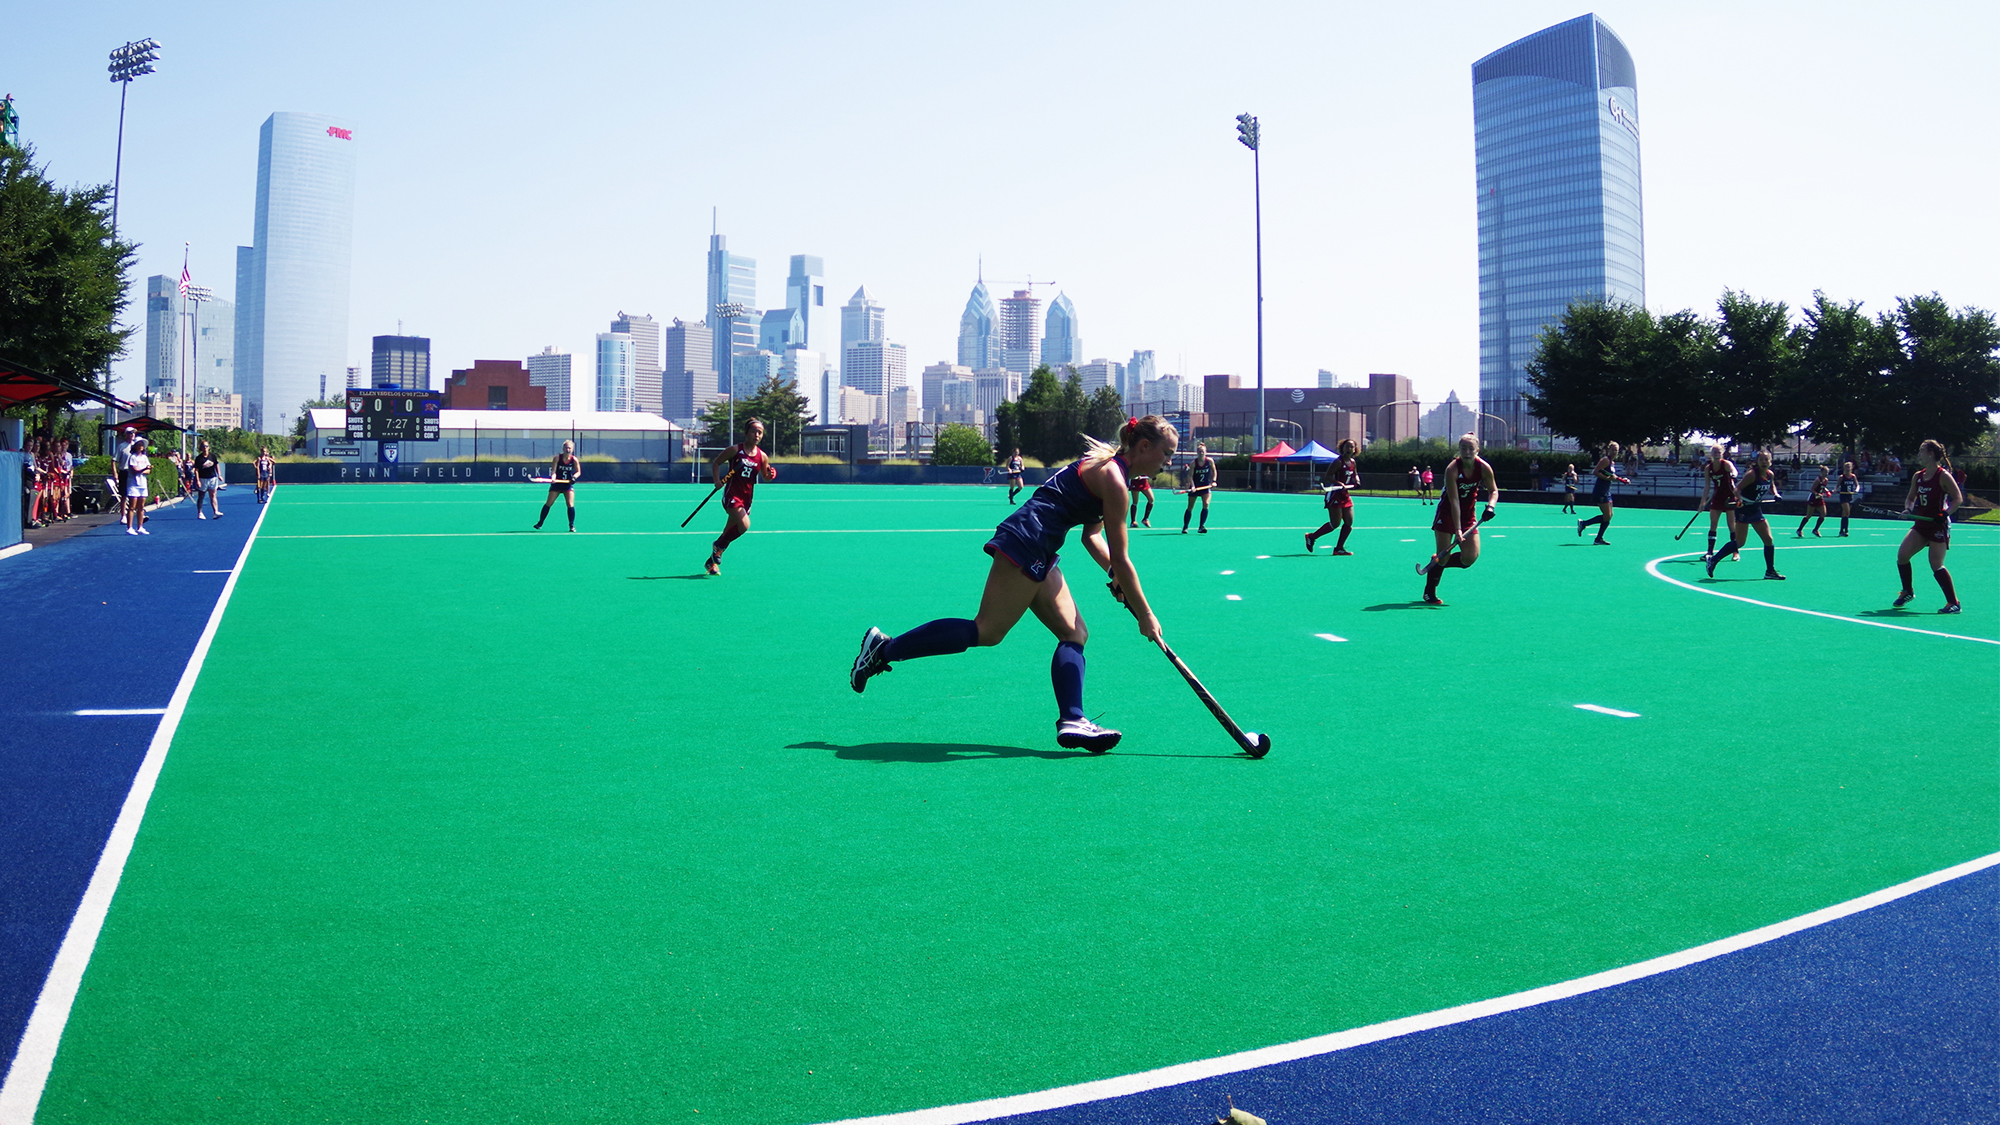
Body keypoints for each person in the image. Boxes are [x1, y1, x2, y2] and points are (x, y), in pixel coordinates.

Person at [849, 415, 1178, 752]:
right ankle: (883, 649)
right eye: (1166, 454)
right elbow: (1122, 558)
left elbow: (1092, 537)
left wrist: (1114, 576)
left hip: (1041, 546)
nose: (1168, 462)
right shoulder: (1113, 479)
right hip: (1028, 541)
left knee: (1074, 632)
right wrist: (1145, 614)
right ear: (1143, 446)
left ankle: (1073, 720)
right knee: (988, 630)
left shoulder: (1109, 469)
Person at [1416, 434, 1497, 606]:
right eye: (1464, 448)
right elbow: (1454, 500)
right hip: (1447, 513)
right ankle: (1430, 591)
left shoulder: (1483, 468)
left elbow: (1493, 491)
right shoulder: (1452, 469)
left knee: (1469, 558)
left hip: (1468, 514)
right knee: (1444, 556)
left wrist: (1490, 506)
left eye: (1471, 448)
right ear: (1459, 449)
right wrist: (1458, 530)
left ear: (1477, 450)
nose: (1467, 452)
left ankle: (1436, 561)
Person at [1892, 439, 1962, 613]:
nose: (1919, 455)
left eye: (1921, 451)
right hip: (1921, 523)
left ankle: (1953, 603)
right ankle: (1907, 591)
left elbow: (1957, 499)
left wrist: (1945, 514)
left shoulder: (1943, 475)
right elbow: (1911, 497)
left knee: (1936, 563)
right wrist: (1908, 509)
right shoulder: (1918, 476)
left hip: (1938, 525)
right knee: (1902, 556)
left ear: (1930, 454)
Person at [704, 417, 777, 575]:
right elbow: (716, 463)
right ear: (746, 433)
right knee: (744, 525)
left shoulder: (762, 456)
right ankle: (718, 547)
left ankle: (711, 563)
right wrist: (717, 481)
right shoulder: (735, 450)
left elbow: (765, 476)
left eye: (760, 433)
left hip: (747, 498)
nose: (757, 435)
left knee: (728, 531)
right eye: (754, 431)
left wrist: (771, 475)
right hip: (732, 495)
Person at [1707, 450, 1784, 580]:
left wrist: (1776, 494)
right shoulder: (1752, 475)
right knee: (1740, 542)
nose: (1764, 462)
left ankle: (1770, 571)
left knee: (1768, 540)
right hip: (1744, 509)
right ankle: (1713, 560)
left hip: (1755, 508)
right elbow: (1737, 489)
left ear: (1770, 461)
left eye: (1767, 460)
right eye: (1761, 460)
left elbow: (1771, 486)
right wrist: (1740, 499)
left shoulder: (1770, 474)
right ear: (1757, 462)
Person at [1305, 438, 1360, 555]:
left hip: (1345, 494)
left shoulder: (1353, 462)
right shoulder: (1338, 462)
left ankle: (1339, 548)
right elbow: (1327, 476)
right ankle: (1312, 537)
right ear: (1342, 448)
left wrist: (1357, 480)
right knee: (1335, 523)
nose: (1349, 449)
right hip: (1335, 494)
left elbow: (1355, 473)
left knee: (1349, 522)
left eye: (1352, 447)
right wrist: (1338, 483)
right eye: (1347, 446)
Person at [1576, 442, 1630, 544]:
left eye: (1616, 450)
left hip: (1607, 490)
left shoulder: (1612, 463)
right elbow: (1596, 472)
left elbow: (1611, 476)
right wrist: (1608, 478)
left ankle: (1598, 538)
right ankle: (1584, 524)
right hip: (1601, 490)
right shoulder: (1605, 460)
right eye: (1613, 449)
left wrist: (1623, 480)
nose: (1614, 452)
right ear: (1609, 450)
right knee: (1607, 515)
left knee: (1609, 515)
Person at [1699, 445, 1741, 563]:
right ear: (1711, 454)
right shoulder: (1708, 468)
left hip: (1729, 496)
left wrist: (1733, 475)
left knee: (1731, 526)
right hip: (1717, 496)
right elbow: (1707, 486)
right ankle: (1709, 552)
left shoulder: (1726, 464)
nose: (1716, 454)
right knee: (1713, 524)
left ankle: (1735, 552)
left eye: (1718, 452)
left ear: (1721, 453)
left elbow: (1734, 471)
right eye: (1714, 452)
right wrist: (1702, 503)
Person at [534, 440, 582, 531]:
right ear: (563, 448)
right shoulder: (557, 458)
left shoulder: (574, 459)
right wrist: (553, 477)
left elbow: (578, 472)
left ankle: (571, 525)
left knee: (570, 504)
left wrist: (574, 477)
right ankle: (540, 523)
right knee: (549, 503)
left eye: (569, 448)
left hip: (567, 485)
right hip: (556, 484)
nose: (568, 449)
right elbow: (553, 471)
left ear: (572, 449)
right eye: (566, 447)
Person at [1182, 441, 1215, 534]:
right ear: (1197, 453)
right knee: (1190, 507)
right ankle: (1185, 527)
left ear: (1205, 452)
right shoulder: (1194, 463)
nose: (1201, 453)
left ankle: (1201, 526)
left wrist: (1214, 481)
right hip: (1195, 487)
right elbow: (1190, 476)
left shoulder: (1210, 461)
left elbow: (1214, 471)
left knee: (1206, 503)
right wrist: (1192, 486)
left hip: (1206, 486)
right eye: (1199, 451)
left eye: (1203, 451)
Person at [124, 437, 153, 535]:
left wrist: (144, 469)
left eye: (142, 445)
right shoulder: (132, 457)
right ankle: (129, 528)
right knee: (132, 506)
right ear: (135, 446)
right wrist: (144, 468)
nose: (141, 446)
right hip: (133, 484)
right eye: (139, 444)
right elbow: (135, 470)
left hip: (143, 484)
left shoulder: (145, 457)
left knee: (141, 506)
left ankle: (140, 527)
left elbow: (149, 471)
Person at [193, 439, 224, 519]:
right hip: (203, 479)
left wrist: (219, 475)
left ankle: (215, 511)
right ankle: (200, 512)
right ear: (201, 448)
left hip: (212, 478)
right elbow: (196, 470)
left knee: (213, 495)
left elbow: (216, 465)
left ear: (209, 447)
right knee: (201, 496)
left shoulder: (212, 456)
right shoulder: (199, 458)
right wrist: (198, 480)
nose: (205, 448)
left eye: (206, 446)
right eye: (203, 446)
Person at [1797, 466, 1831, 537]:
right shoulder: (1818, 480)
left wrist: (1827, 491)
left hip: (1820, 499)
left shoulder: (1826, 480)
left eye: (1827, 472)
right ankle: (1799, 530)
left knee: (1823, 514)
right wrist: (1817, 494)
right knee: (1809, 515)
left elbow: (1823, 487)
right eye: (1825, 472)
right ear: (1821, 472)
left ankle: (1815, 529)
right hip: (1813, 498)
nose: (1826, 473)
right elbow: (1812, 489)